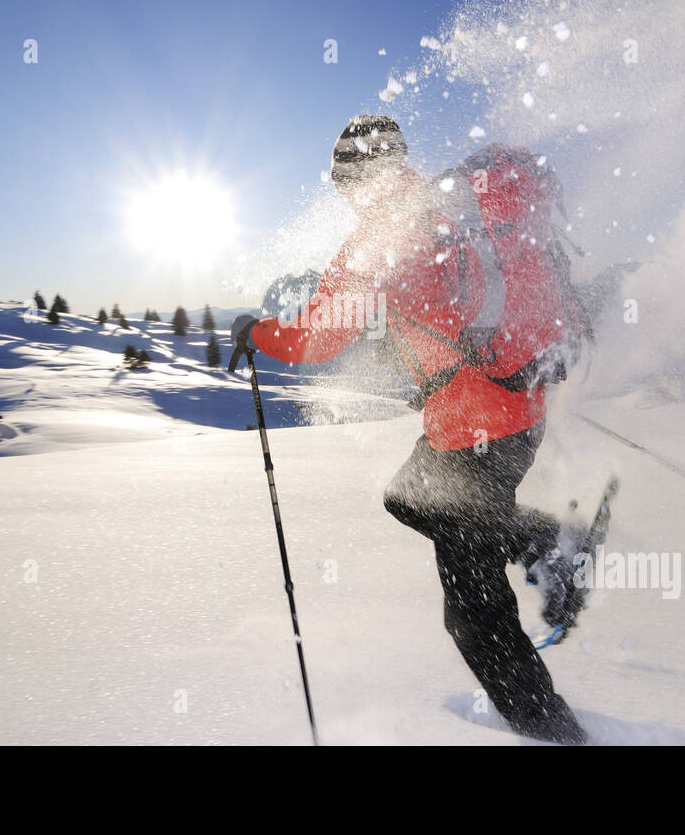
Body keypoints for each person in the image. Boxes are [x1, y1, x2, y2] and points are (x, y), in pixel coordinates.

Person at [231, 115, 588, 744]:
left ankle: (554, 734)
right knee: (408, 494)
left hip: (477, 427)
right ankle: (547, 541)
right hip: (514, 409)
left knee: (474, 618)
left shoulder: (381, 240)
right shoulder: (444, 209)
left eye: (344, 177)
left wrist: (256, 332)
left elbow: (318, 337)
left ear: (355, 177)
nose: (344, 190)